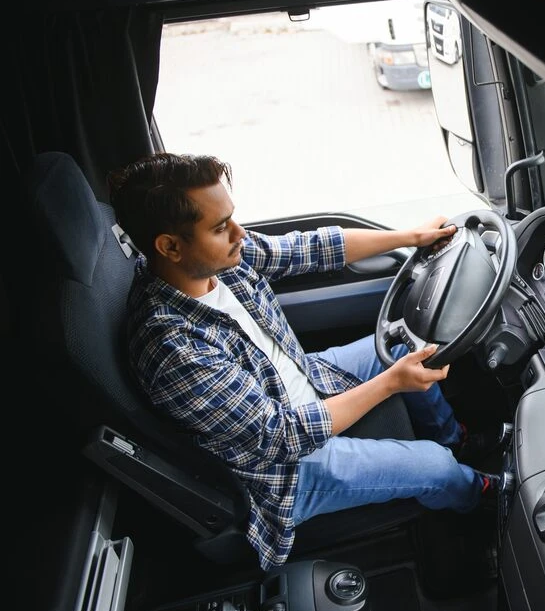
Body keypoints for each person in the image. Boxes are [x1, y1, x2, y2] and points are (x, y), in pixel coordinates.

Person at [108, 152, 500, 571]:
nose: (240, 233)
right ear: (170, 246)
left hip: (306, 380)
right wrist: (390, 383)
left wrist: (410, 236)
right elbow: (281, 437)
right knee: (434, 468)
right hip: (285, 472)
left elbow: (310, 249)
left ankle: (453, 440)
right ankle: (485, 497)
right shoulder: (173, 347)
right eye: (221, 228)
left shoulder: (219, 265)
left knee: (405, 344)